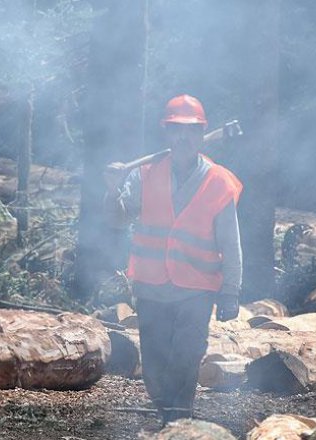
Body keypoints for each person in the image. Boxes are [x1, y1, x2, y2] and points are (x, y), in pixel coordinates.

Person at [103, 94, 243, 425]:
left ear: (201, 134)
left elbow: (231, 243)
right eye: (176, 130)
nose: (183, 137)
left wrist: (231, 291)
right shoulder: (145, 174)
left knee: (187, 354)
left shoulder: (219, 182)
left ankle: (180, 419)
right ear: (166, 132)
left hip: (197, 289)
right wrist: (112, 190)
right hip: (152, 286)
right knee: (154, 363)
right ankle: (168, 414)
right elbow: (117, 219)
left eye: (192, 131)